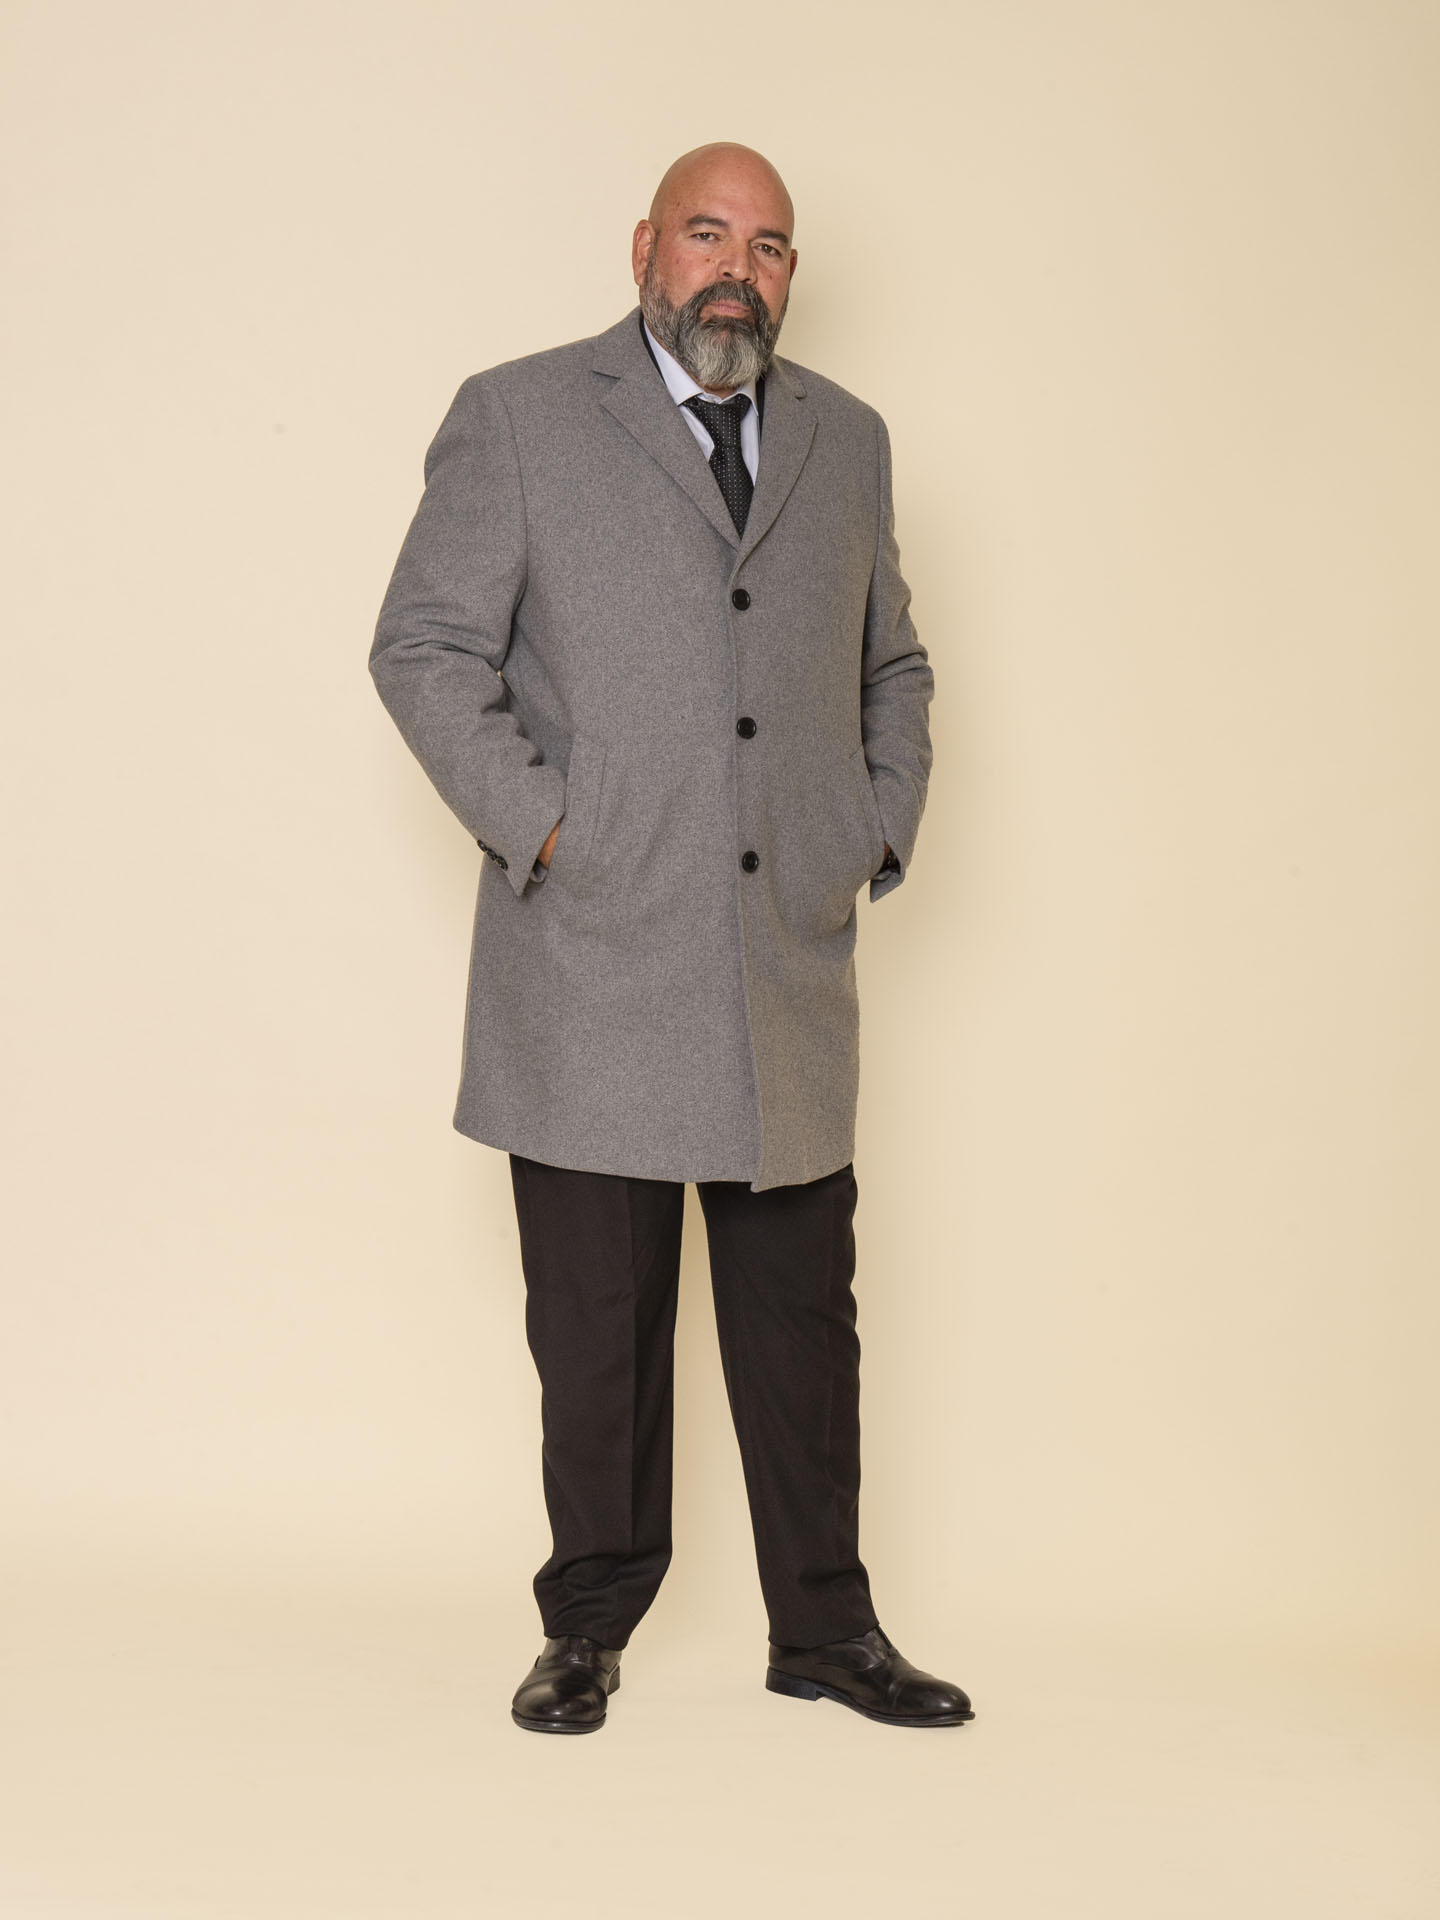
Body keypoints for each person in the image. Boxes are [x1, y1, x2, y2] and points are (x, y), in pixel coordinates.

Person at [369, 142, 973, 1734]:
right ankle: (588, 1628)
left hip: (783, 963)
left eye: (768, 248)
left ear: (790, 274)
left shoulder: (847, 437)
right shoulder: (520, 415)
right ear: (646, 246)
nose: (736, 271)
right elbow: (424, 647)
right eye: (709, 235)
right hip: (593, 961)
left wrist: (875, 823)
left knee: (804, 1325)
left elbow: (892, 663)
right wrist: (545, 828)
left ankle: (825, 1632)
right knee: (599, 1336)